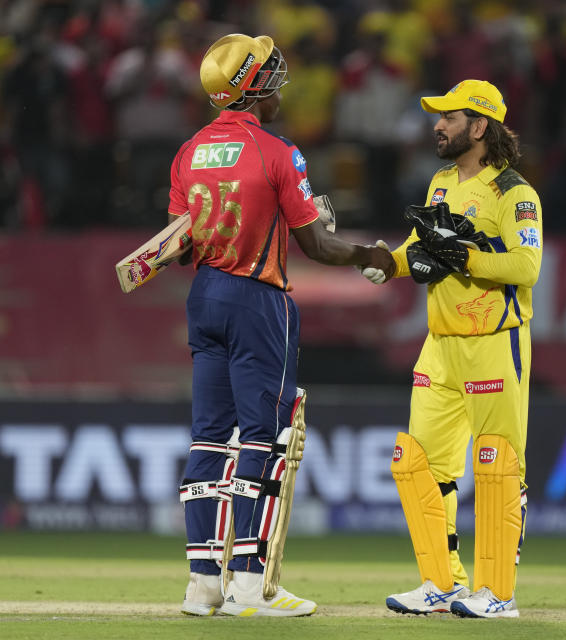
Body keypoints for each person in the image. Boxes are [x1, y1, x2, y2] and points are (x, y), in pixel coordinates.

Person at [170, 33, 394, 617]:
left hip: (205, 295)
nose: (280, 81)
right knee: (264, 440)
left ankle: (202, 585)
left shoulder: (188, 151)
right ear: (255, 87)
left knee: (208, 438)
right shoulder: (278, 151)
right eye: (270, 73)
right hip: (257, 298)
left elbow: (178, 240)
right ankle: (248, 585)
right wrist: (369, 253)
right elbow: (317, 246)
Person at [361, 79, 542, 618]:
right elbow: (419, 248)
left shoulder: (514, 193)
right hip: (439, 345)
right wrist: (383, 262)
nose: (437, 126)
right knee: (417, 464)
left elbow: (526, 267)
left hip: (494, 343)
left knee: (496, 465)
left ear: (479, 127)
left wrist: (466, 258)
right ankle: (441, 583)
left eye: (449, 118)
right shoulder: (440, 182)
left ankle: (498, 594)